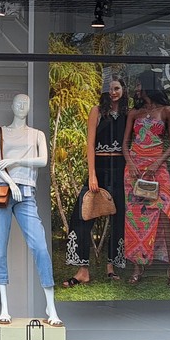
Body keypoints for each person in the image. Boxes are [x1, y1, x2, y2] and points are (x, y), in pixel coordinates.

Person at [0, 93, 62, 326]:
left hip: (26, 193)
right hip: (1, 191)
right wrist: (10, 182)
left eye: (26, 103)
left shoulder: (36, 134)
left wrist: (16, 161)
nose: (22, 106)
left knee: (40, 247)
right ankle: (4, 308)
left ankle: (51, 307)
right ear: (11, 106)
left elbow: (43, 160)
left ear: (29, 107)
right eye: (18, 103)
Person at [62, 77, 129, 287]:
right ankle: (83, 270)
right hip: (99, 169)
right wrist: (92, 174)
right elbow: (90, 145)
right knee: (81, 216)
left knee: (118, 218)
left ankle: (111, 266)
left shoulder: (128, 114)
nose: (113, 92)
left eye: (117, 88)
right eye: (109, 89)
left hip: (120, 170)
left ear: (123, 90)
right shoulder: (97, 111)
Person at [123, 74, 170, 287]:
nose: (136, 88)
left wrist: (157, 163)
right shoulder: (134, 113)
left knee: (165, 216)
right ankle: (137, 268)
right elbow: (125, 144)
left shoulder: (168, 111)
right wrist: (131, 163)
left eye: (138, 84)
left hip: (157, 168)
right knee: (136, 219)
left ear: (147, 86)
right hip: (134, 171)